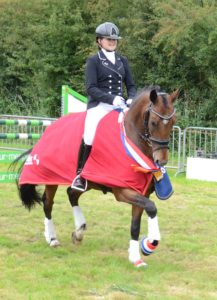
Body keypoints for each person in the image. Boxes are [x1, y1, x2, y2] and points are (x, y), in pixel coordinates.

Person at [71, 21, 137, 191]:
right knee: (90, 135)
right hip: (99, 105)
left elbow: (130, 84)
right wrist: (111, 99)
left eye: (114, 39)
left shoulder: (123, 60)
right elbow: (90, 88)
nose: (112, 41)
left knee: (135, 129)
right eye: (108, 39)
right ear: (99, 40)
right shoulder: (94, 60)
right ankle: (80, 175)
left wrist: (131, 98)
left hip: (120, 105)